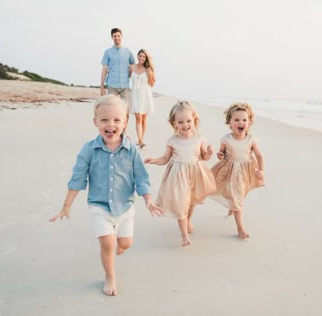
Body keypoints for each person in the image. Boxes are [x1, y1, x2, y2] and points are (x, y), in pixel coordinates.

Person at [49, 94, 163, 296]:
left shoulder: (131, 150)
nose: (111, 124)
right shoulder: (89, 149)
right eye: (104, 120)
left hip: (125, 207)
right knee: (107, 242)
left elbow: (141, 177)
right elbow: (77, 179)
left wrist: (148, 199)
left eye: (117, 120)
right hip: (99, 206)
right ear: (95, 122)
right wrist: (66, 206)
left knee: (125, 243)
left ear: (125, 122)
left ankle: (120, 243)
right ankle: (110, 275)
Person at [144, 100, 216, 246]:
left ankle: (188, 220)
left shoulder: (199, 139)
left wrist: (209, 153)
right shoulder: (173, 141)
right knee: (182, 204)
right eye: (181, 122)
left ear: (194, 119)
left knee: (191, 202)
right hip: (178, 177)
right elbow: (165, 159)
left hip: (195, 174)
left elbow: (204, 158)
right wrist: (154, 160)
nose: (185, 125)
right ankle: (184, 236)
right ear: (174, 123)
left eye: (188, 121)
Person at [209, 102, 265, 239]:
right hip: (230, 169)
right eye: (237, 120)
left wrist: (261, 170)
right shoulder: (226, 139)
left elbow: (259, 155)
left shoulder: (251, 140)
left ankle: (233, 205)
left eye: (244, 120)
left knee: (241, 193)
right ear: (230, 122)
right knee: (237, 198)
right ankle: (240, 229)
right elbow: (222, 152)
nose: (241, 122)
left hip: (246, 171)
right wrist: (220, 155)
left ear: (249, 122)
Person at [100, 28, 135, 109]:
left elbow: (133, 64)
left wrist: (129, 75)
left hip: (125, 86)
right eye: (115, 36)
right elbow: (104, 69)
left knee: (125, 110)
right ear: (112, 37)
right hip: (112, 85)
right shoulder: (107, 52)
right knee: (112, 109)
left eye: (118, 36)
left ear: (121, 36)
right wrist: (102, 85)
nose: (117, 38)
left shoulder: (127, 51)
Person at [129, 49, 155, 148]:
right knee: (138, 117)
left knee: (144, 118)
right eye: (140, 56)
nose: (141, 58)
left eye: (144, 57)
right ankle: (140, 140)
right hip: (135, 94)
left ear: (146, 58)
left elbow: (152, 84)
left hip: (145, 94)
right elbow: (126, 77)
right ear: (137, 56)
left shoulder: (148, 69)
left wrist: (151, 73)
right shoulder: (131, 67)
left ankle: (141, 138)